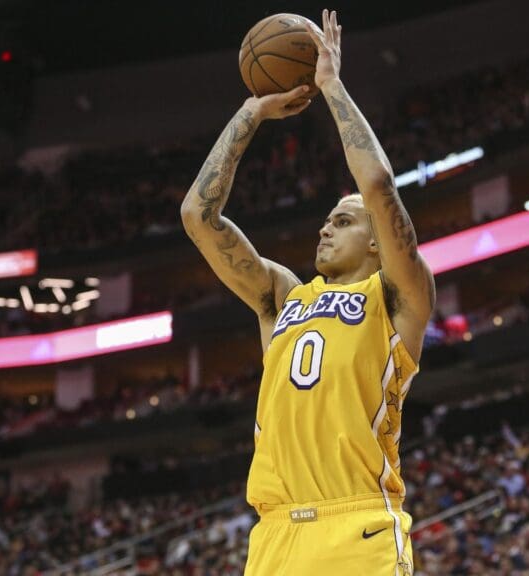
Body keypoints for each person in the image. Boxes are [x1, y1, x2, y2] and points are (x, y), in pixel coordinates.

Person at [180, 9, 434, 575]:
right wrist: (251, 113)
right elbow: (198, 215)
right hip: (273, 539)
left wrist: (330, 84)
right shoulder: (283, 297)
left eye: (343, 222)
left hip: (358, 529)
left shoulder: (396, 296)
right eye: (326, 220)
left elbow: (377, 183)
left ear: (377, 241)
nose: (325, 228)